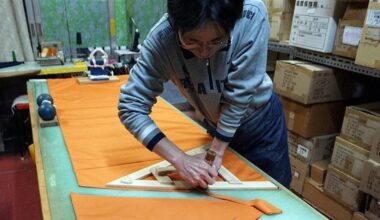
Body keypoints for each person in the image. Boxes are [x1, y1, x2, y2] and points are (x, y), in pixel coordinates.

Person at [118, 0, 291, 189]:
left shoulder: (250, 16)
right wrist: (179, 159)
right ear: (175, 26)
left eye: (217, 41)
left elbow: (239, 96)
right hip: (215, 124)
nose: (204, 52)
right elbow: (131, 106)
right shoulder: (161, 39)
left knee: (275, 193)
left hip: (260, 125)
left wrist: (215, 152)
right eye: (191, 42)